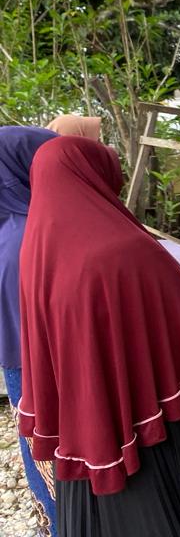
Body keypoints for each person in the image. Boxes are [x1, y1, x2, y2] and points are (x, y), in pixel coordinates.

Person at [18, 135, 180, 536]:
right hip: (148, 414)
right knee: (165, 506)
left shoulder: (36, 247)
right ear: (94, 175)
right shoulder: (125, 246)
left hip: (81, 419)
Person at [0, 126, 58, 536]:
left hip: (16, 358)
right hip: (47, 361)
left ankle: (52, 521)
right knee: (57, 439)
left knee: (34, 441)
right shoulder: (37, 229)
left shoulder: (7, 224)